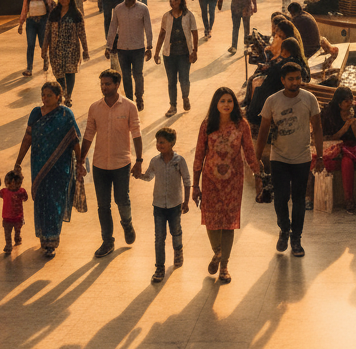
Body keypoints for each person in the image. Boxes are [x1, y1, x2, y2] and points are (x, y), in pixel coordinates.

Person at [194, 88, 262, 281]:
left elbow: (249, 151)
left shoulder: (242, 125)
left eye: (229, 101)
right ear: (216, 104)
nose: (226, 104)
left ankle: (224, 267)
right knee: (211, 220)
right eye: (222, 101)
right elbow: (199, 155)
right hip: (210, 181)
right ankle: (217, 252)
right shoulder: (207, 125)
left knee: (229, 223)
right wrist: (195, 185)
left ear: (234, 104)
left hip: (233, 182)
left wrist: (258, 175)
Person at [255, 63, 323, 249]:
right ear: (283, 80)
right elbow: (263, 132)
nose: (295, 82)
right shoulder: (272, 101)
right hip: (279, 158)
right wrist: (257, 158)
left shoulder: (310, 99)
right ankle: (284, 229)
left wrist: (321, 157)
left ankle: (296, 238)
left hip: (302, 158)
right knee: (281, 197)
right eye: (291, 79)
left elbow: (317, 129)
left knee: (299, 199)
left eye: (298, 78)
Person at [77, 68, 142, 258]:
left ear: (117, 85)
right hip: (99, 165)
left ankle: (127, 224)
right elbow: (89, 134)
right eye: (102, 84)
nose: (103, 88)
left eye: (107, 84)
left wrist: (138, 160)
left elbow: (136, 134)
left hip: (122, 163)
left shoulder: (129, 106)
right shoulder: (95, 108)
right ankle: (107, 241)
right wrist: (81, 159)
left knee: (122, 200)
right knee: (103, 205)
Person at [12, 79, 81, 258]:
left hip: (60, 167)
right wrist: (18, 161)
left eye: (49, 95)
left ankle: (52, 239)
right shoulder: (36, 113)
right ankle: (44, 236)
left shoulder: (66, 114)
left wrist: (80, 163)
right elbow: (28, 138)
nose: (45, 98)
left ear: (59, 97)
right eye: (43, 95)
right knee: (42, 200)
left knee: (55, 201)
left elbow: (74, 141)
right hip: (39, 166)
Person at [136, 125, 191, 283]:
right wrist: (139, 175)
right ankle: (159, 267)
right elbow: (148, 176)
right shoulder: (155, 161)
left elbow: (187, 181)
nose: (159, 145)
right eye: (157, 142)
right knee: (159, 237)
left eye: (162, 142)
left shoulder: (179, 161)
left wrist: (185, 201)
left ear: (172, 143)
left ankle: (178, 251)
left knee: (176, 231)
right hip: (158, 206)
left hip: (174, 205)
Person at [314, 86, 356, 214]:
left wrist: (353, 123)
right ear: (339, 103)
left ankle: (349, 200)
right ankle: (309, 196)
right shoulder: (329, 113)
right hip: (333, 147)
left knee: (347, 162)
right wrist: (345, 127)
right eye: (346, 101)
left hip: (353, 148)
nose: (350, 103)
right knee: (315, 160)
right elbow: (327, 138)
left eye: (351, 100)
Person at [105, 0, 153, 111]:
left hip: (138, 48)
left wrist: (149, 47)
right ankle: (130, 101)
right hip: (122, 48)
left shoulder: (143, 8)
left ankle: (139, 97)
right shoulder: (118, 9)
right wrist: (108, 46)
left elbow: (148, 28)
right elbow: (113, 27)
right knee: (125, 76)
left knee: (138, 74)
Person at [153, 0, 199, 118]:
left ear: (181, 1)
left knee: (184, 79)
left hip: (184, 53)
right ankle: (173, 106)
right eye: (171, 0)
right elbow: (162, 34)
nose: (173, 2)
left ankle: (185, 97)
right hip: (169, 54)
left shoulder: (189, 15)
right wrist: (156, 52)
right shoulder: (166, 17)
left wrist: (195, 51)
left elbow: (194, 33)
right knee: (171, 81)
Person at [42, 0, 90, 106]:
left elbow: (81, 33)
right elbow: (47, 32)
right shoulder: (54, 13)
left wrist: (85, 49)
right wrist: (44, 49)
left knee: (70, 72)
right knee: (58, 72)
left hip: (71, 49)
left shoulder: (76, 14)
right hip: (56, 49)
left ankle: (68, 96)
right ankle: (62, 92)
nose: (63, 0)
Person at [0, 168, 28, 254]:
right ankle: (8, 244)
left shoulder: (20, 191)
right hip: (7, 218)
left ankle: (17, 238)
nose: (12, 184)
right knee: (7, 233)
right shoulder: (5, 191)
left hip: (17, 217)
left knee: (17, 230)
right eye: (10, 182)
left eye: (15, 183)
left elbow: (25, 198)